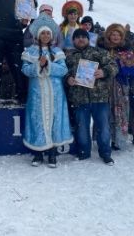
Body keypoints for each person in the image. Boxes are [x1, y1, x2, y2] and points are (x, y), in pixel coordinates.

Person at [21, 16, 73, 168]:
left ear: (52, 36)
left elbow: (63, 70)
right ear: (38, 35)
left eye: (48, 34)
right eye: (43, 33)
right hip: (37, 92)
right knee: (38, 119)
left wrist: (48, 64)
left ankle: (52, 153)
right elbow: (25, 70)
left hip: (55, 92)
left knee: (55, 119)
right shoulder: (30, 51)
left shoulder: (57, 51)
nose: (45, 36)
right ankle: (38, 153)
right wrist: (38, 65)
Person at [65, 28, 118, 165]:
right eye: (77, 37)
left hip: (99, 97)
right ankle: (83, 152)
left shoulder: (99, 52)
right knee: (81, 127)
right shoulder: (69, 56)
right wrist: (68, 79)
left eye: (83, 37)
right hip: (79, 98)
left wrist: (104, 71)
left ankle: (106, 153)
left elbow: (113, 66)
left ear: (88, 39)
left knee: (103, 127)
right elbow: (63, 72)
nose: (81, 39)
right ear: (73, 40)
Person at [97, 24, 132, 150]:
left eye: (118, 34)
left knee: (119, 111)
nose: (116, 37)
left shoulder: (127, 51)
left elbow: (130, 70)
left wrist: (124, 65)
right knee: (104, 111)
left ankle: (118, 139)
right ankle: (106, 137)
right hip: (104, 84)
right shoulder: (102, 50)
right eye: (113, 34)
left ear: (122, 37)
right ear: (109, 36)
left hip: (120, 86)